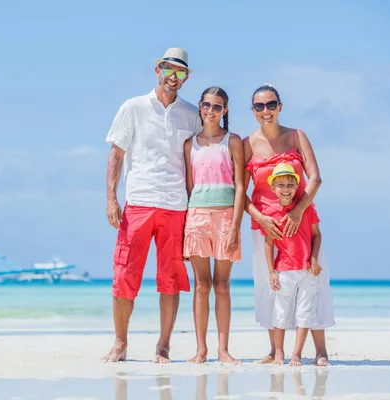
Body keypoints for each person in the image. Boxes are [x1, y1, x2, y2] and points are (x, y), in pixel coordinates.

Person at [104, 48, 202, 363]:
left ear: (187, 78)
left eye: (180, 72)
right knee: (124, 275)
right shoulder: (132, 107)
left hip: (176, 205)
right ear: (157, 69)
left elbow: (199, 160)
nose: (173, 77)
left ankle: (163, 346)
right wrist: (111, 198)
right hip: (139, 203)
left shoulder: (191, 114)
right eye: (168, 70)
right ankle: (120, 344)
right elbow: (117, 155)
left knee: (171, 278)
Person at [243, 84, 335, 366]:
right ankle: (276, 351)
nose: (266, 111)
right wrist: (259, 218)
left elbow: (315, 178)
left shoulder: (296, 136)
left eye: (271, 105)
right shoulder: (247, 144)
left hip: (302, 222)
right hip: (266, 229)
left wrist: (296, 212)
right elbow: (238, 191)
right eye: (259, 106)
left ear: (280, 107)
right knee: (271, 286)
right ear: (253, 111)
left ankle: (320, 351)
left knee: (314, 280)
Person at [183, 87, 244, 364]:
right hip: (196, 217)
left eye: (217, 107)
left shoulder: (233, 141)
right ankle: (201, 350)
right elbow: (189, 187)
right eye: (207, 105)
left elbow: (241, 186)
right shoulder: (189, 145)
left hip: (225, 218)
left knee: (222, 285)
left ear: (225, 110)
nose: (210, 110)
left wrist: (234, 227)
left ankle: (223, 350)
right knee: (201, 285)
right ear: (199, 106)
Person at [263, 163, 322, 366]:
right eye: (280, 184)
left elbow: (316, 235)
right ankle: (279, 353)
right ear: (273, 188)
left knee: (304, 314)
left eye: (290, 184)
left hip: (307, 271)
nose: (285, 188)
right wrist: (271, 271)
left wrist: (314, 259)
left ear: (297, 186)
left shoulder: (306, 208)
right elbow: (268, 244)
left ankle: (296, 354)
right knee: (280, 312)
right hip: (284, 270)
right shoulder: (270, 213)